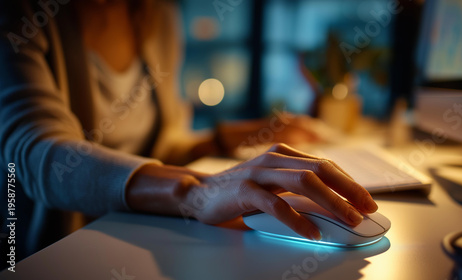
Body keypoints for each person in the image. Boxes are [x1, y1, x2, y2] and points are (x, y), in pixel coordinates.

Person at [0, 0, 377, 260]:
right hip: (47, 251)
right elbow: (36, 156)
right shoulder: (22, 15)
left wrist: (236, 136)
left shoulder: (157, 16)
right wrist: (196, 190)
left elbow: (160, 147)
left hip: (141, 231)